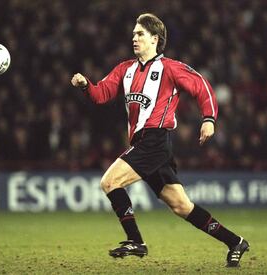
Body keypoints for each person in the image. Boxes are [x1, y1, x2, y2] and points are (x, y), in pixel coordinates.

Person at [71, 13, 249, 267]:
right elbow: (101, 94)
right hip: (143, 144)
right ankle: (235, 242)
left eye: (140, 34)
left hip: (155, 140)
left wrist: (209, 118)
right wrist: (85, 85)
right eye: (133, 33)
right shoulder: (125, 69)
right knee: (181, 206)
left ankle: (136, 241)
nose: (134, 38)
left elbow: (202, 86)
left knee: (110, 182)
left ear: (155, 39)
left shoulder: (169, 68)